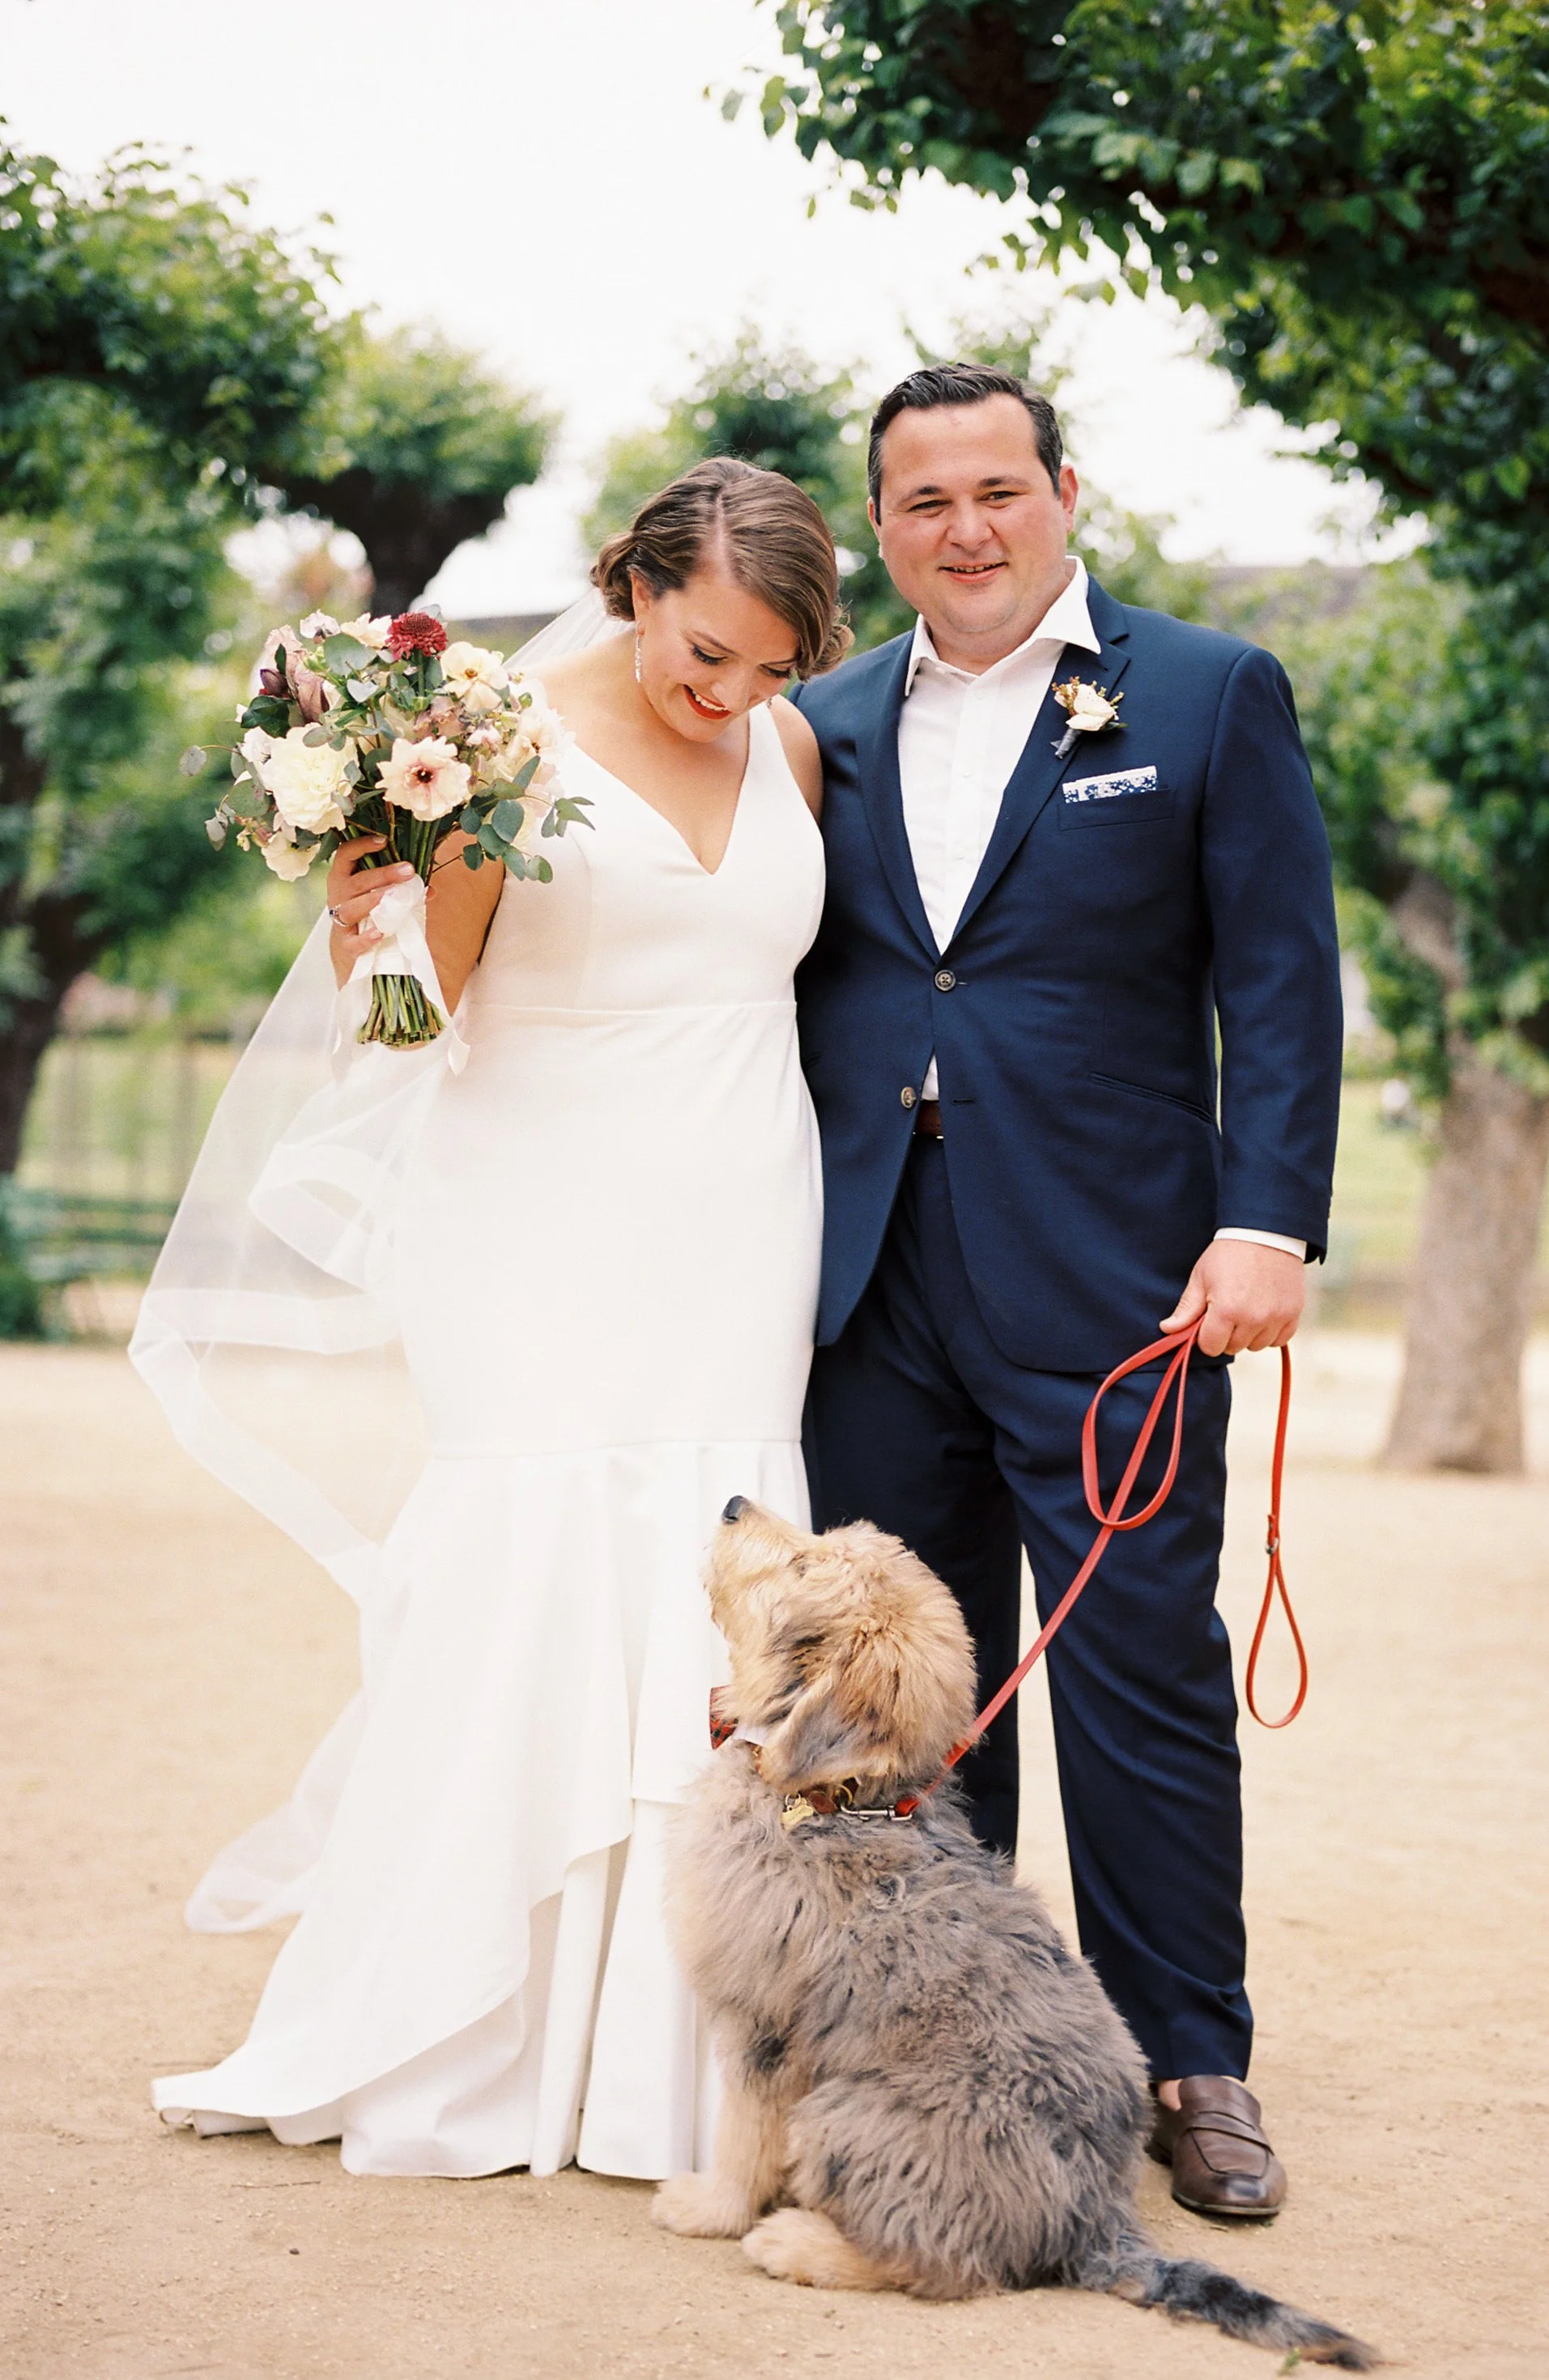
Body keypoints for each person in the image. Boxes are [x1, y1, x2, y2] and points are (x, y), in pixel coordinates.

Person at [134, 457, 845, 2178]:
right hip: (532, 1222)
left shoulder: (794, 749)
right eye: (706, 652)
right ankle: (466, 2033)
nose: (732, 695)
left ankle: (665, 2069)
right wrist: (364, 910)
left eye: (768, 667)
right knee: (533, 1559)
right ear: (636, 585)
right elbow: (405, 1023)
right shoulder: (490, 736)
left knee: (712, 1581)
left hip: (742, 1225)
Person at [792, 366, 1343, 2219]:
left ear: (1065, 492)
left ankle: (1193, 2059)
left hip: (1121, 1282)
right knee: (907, 1694)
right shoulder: (820, 723)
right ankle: (950, 2049)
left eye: (997, 490)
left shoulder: (1203, 691)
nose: (966, 528)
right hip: (869, 1283)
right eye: (924, 500)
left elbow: (1280, 978)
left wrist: (1269, 1225)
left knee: (1139, 1672)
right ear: (881, 526)